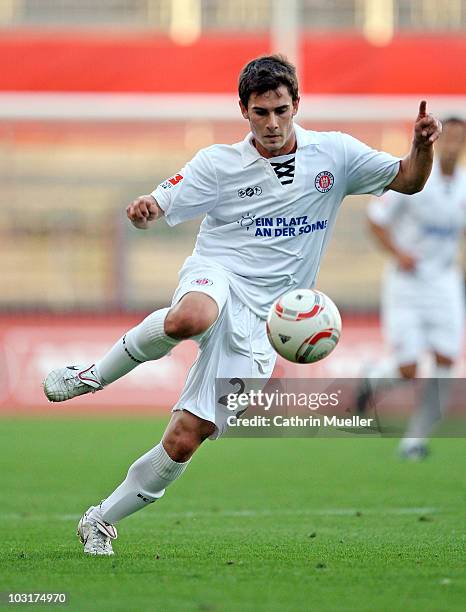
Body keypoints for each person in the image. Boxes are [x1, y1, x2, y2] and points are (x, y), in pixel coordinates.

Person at [43, 55, 441, 555]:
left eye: (280, 110)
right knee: (192, 316)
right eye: (260, 113)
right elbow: (158, 205)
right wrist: (146, 209)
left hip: (269, 319)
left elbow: (409, 179)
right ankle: (92, 376)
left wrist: (421, 147)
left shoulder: (335, 155)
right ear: (243, 111)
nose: (272, 123)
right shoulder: (218, 164)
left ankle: (100, 519)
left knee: (188, 437)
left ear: (296, 104)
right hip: (219, 274)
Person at [357, 117, 466, 459]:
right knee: (407, 369)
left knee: (447, 358)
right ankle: (373, 379)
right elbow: (375, 220)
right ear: (438, 141)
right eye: (448, 139)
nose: (453, 147)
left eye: (460, 140)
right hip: (407, 283)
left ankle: (415, 440)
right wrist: (399, 253)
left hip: (445, 282)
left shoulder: (464, 186)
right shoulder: (416, 179)